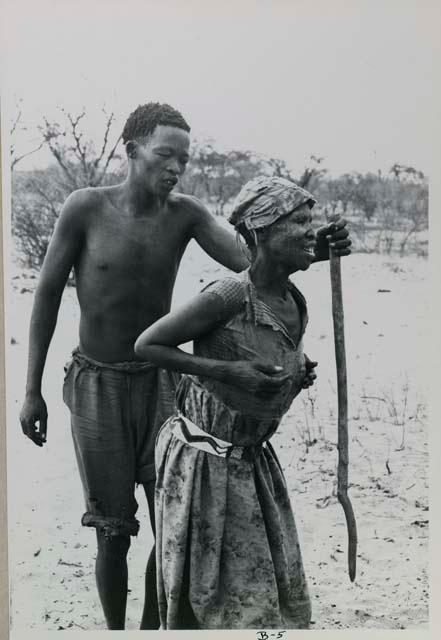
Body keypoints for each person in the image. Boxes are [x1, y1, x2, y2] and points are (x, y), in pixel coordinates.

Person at [19, 103, 350, 630]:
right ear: (131, 151)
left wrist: (313, 245)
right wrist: (31, 390)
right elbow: (47, 296)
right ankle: (115, 630)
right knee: (111, 528)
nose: (175, 168)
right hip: (96, 384)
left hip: (163, 382)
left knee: (170, 519)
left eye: (184, 159)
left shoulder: (186, 214)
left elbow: (255, 263)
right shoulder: (85, 208)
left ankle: (156, 627)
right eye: (164, 155)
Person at [135, 176, 342, 630]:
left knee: (254, 587)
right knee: (203, 590)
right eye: (300, 222)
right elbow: (148, 345)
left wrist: (295, 372)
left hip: (252, 463)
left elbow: (263, 347)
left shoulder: (291, 299)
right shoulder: (229, 294)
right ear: (261, 232)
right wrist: (228, 372)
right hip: (202, 465)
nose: (313, 232)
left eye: (313, 220)